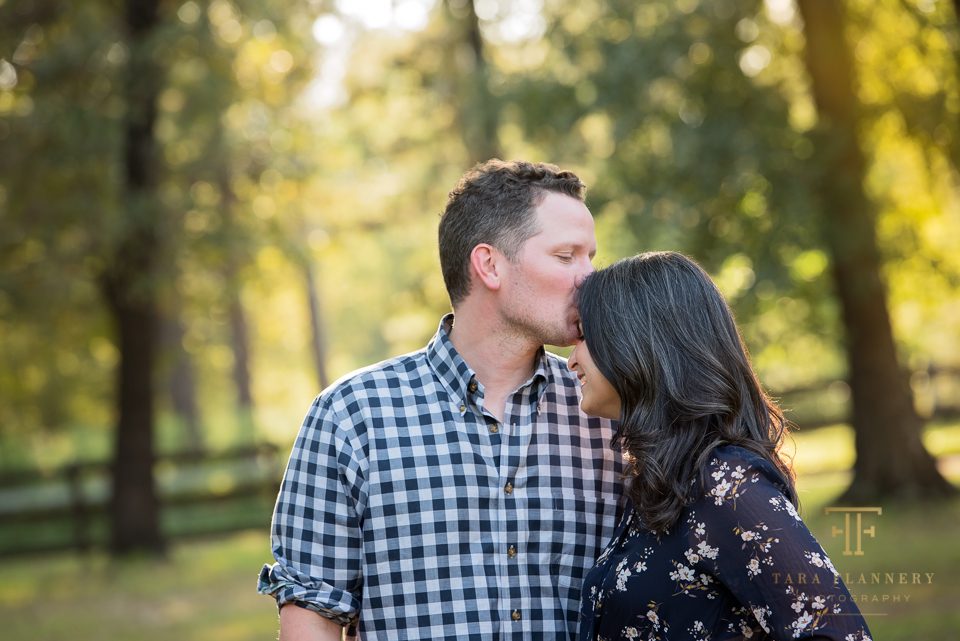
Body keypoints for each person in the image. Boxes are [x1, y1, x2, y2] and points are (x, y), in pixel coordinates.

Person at [259, 159, 624, 640]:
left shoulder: (607, 414)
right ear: (490, 264)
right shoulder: (352, 417)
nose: (589, 277)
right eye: (566, 256)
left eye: (590, 257)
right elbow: (311, 619)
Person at [568, 251, 872, 641]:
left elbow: (837, 632)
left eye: (585, 336)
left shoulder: (723, 482)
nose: (572, 359)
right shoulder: (663, 479)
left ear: (637, 343)